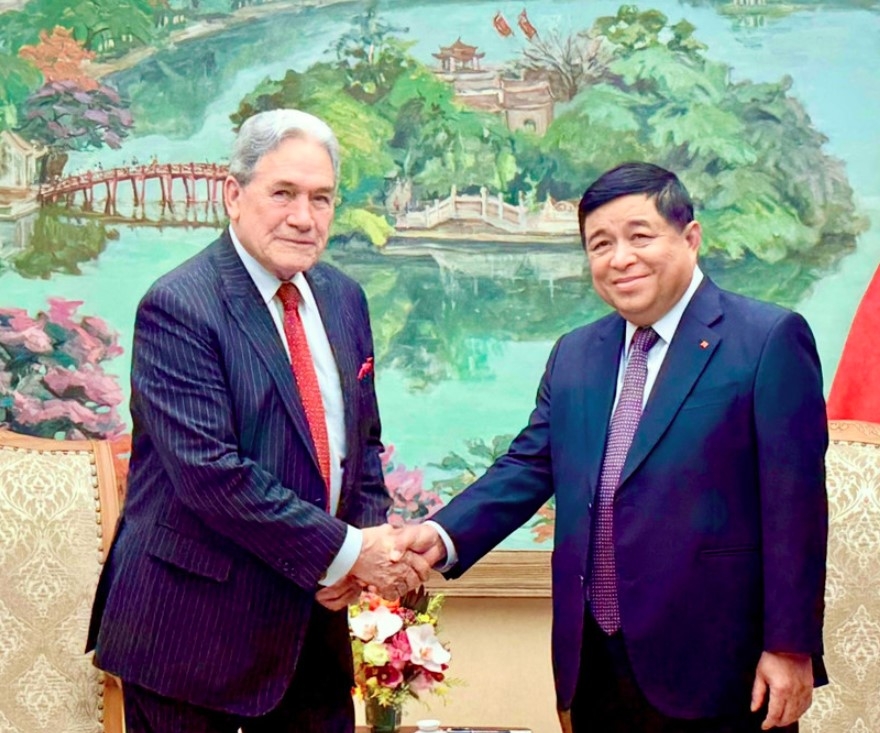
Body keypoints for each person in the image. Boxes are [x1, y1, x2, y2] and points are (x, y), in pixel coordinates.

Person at [410, 163, 828, 732]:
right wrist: (437, 537)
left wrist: (790, 646)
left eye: (639, 235)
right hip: (594, 665)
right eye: (600, 244)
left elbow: (795, 509)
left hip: (720, 668)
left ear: (691, 237)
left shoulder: (767, 340)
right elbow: (529, 464)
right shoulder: (576, 352)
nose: (620, 258)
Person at [86, 109, 429, 733]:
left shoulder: (344, 297)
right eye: (284, 193)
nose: (305, 217)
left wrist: (368, 550)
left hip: (311, 633)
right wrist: (350, 553)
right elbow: (212, 476)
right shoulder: (179, 306)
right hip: (192, 645)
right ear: (233, 195)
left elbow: (363, 446)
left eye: (321, 198)